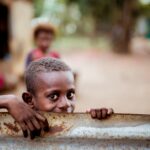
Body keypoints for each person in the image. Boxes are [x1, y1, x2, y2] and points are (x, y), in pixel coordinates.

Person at [22, 57, 113, 119]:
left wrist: (100, 122)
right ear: (29, 100)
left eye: (70, 94)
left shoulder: (78, 128)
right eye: (53, 96)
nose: (66, 104)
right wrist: (9, 101)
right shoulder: (20, 127)